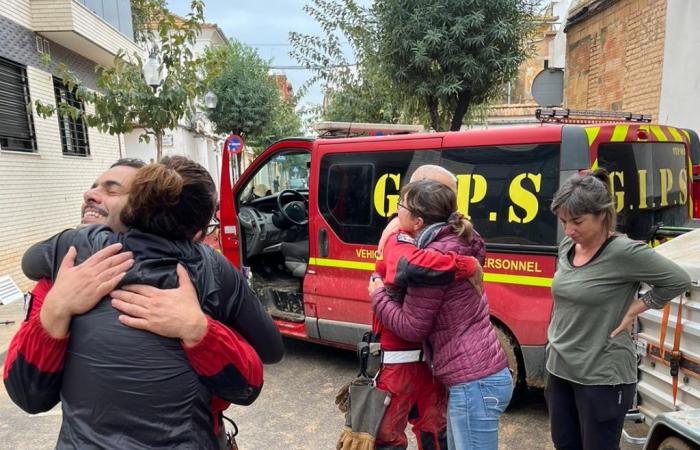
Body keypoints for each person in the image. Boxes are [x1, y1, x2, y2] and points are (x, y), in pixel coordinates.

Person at [9, 156, 284, 449]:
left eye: (114, 190)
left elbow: (30, 261)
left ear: (134, 206)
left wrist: (199, 329)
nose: (93, 194)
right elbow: (264, 361)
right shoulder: (210, 269)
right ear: (198, 232)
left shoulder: (71, 250)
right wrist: (55, 307)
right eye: (94, 187)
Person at [545, 169, 690, 450]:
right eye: (563, 221)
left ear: (602, 215)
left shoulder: (624, 252)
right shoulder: (568, 245)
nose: (569, 230)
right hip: (559, 369)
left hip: (601, 375)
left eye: (577, 221)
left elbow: (678, 280)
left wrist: (638, 306)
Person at [371, 179, 511, 450]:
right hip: (479, 376)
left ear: (419, 220)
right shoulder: (460, 238)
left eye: (400, 205)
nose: (395, 211)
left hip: (474, 383)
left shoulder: (433, 256)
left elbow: (412, 327)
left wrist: (377, 295)